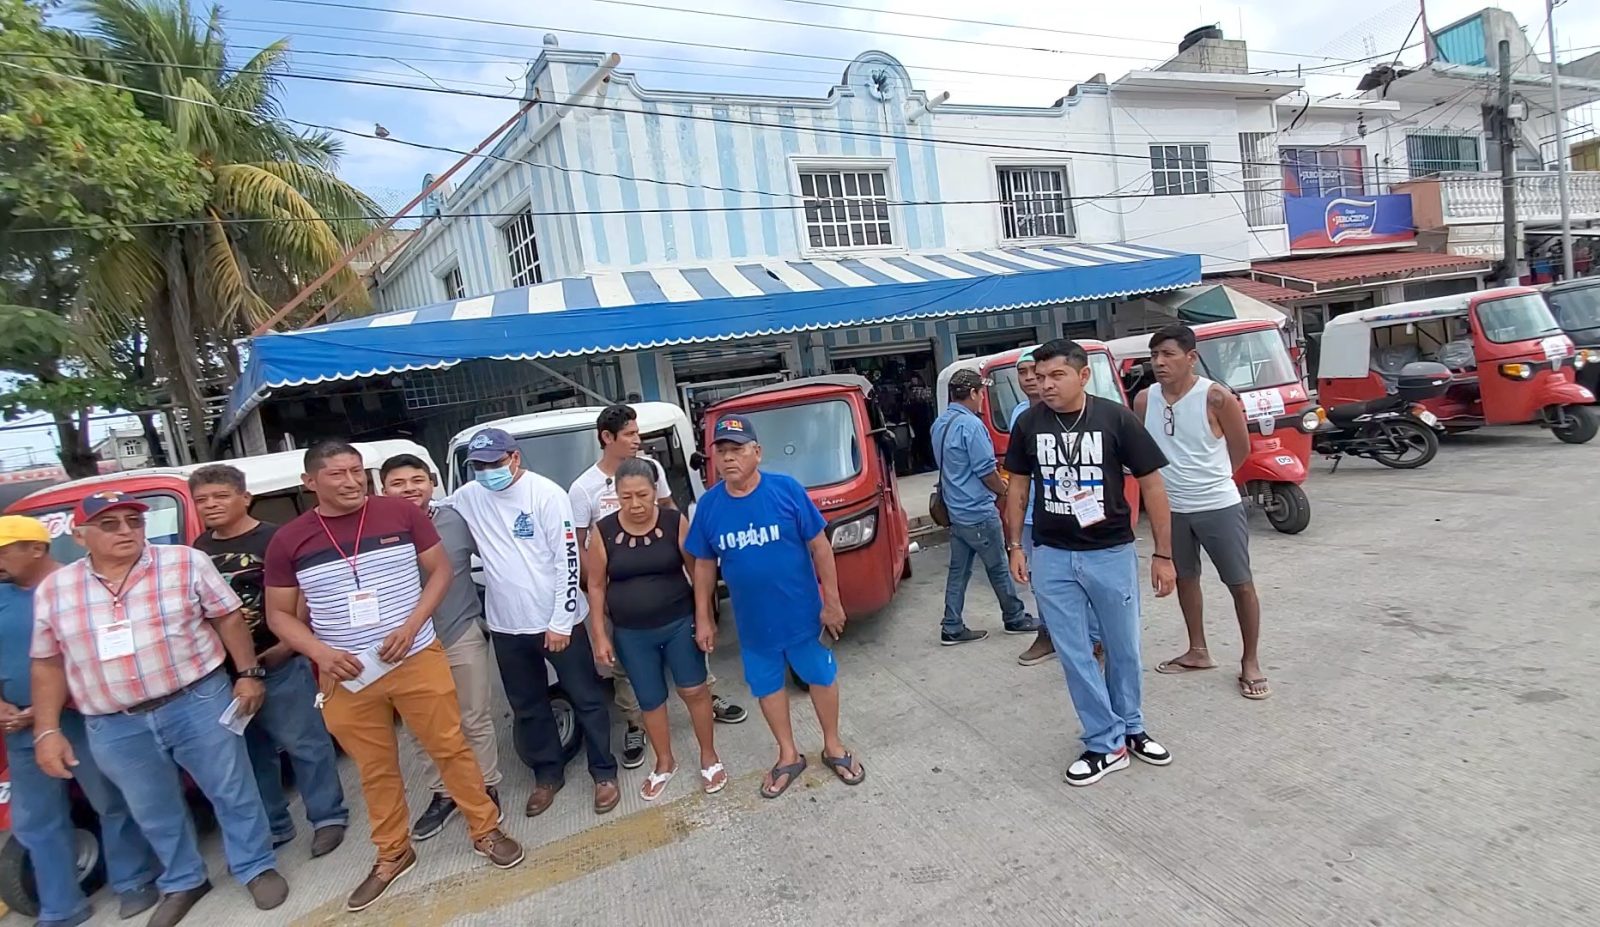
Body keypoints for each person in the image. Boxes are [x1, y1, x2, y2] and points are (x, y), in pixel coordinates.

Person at [263, 441, 522, 913]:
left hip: (415, 655)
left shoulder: (400, 515)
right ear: (309, 483)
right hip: (346, 673)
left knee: (450, 745)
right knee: (375, 767)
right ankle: (393, 853)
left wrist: (411, 625)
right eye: (337, 473)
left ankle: (485, 829)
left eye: (357, 471)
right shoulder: (289, 540)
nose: (351, 481)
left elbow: (440, 572)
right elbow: (279, 615)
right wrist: (320, 652)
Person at [29, 491, 289, 927]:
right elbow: (47, 662)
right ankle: (185, 879)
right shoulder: (56, 589)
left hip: (196, 701)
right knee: (151, 807)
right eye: (110, 525)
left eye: (133, 521)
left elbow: (227, 617)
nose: (126, 531)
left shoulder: (184, 562)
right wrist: (47, 729)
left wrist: (247, 673)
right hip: (114, 723)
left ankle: (255, 866)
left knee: (230, 789)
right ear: (79, 535)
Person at [1003, 339, 1177, 787]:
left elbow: (1154, 488)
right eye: (1039, 377)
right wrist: (1016, 547)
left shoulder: (1115, 418)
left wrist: (1163, 554)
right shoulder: (1028, 425)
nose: (1045, 386)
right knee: (1075, 654)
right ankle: (1106, 741)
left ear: (1083, 376)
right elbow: (1018, 489)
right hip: (1052, 555)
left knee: (1123, 649)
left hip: (1110, 552)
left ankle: (1131, 726)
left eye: (1056, 376)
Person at [685, 415, 865, 799]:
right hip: (753, 625)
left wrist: (831, 602)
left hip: (804, 616)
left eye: (737, 449)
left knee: (821, 678)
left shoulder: (786, 490)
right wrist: (704, 617)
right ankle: (787, 754)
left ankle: (833, 746)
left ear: (757, 453)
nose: (729, 458)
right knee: (767, 688)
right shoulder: (709, 508)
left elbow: (820, 546)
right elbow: (703, 565)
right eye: (722, 451)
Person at [444, 427, 619, 818]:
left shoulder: (546, 494)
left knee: (587, 698)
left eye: (495, 463)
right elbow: (433, 509)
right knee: (527, 706)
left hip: (559, 623)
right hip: (508, 626)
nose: (488, 471)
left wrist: (559, 622)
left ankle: (603, 772)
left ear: (515, 458)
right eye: (480, 466)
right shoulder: (469, 497)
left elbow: (567, 561)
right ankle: (547, 775)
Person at [0, 516, 160, 927]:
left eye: (3, 551)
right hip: (21, 729)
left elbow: (113, 649)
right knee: (35, 818)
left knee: (111, 800)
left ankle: (135, 880)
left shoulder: (78, 588)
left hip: (81, 714)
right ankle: (60, 906)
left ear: (35, 549)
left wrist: (48, 704)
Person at [567, 404, 746, 773]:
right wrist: (603, 618)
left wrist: (705, 613)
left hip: (676, 614)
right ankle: (645, 739)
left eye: (642, 495)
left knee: (694, 681)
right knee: (639, 690)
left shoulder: (660, 490)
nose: (637, 439)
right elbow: (586, 556)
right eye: (630, 434)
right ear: (607, 438)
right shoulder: (584, 491)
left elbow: (689, 553)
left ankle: (708, 732)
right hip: (626, 616)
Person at [189, 465, 349, 858]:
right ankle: (276, 825)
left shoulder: (276, 538)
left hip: (280, 661)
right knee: (252, 754)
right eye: (202, 500)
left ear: (245, 497)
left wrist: (288, 644)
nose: (211, 505)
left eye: (220, 496)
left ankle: (328, 818)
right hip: (226, 674)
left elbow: (306, 595)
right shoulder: (197, 550)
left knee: (306, 744)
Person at [1136, 325, 1268, 700]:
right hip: (1171, 509)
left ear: (1191, 357)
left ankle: (1251, 661)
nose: (1159, 362)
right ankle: (1198, 650)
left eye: (1168, 354)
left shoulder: (1214, 397)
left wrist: (1213, 480)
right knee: (1186, 579)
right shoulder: (1146, 400)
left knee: (1240, 583)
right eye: (1154, 356)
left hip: (1217, 504)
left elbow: (1240, 448)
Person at [379, 454, 505, 839]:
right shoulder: (373, 529)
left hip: (459, 631)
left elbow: (498, 557)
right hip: (408, 646)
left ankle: (485, 786)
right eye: (398, 483)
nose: (409, 489)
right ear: (382, 489)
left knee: (474, 717)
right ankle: (443, 793)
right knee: (422, 728)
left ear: (432, 482)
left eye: (417, 480)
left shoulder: (456, 520)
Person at [585, 458, 726, 800]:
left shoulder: (674, 521)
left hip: (679, 623)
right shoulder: (603, 532)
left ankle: (709, 756)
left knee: (694, 691)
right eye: (626, 497)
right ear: (616, 496)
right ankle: (665, 762)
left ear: (655, 492)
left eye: (642, 495)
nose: (635, 504)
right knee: (649, 700)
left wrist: (704, 618)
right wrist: (600, 635)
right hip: (632, 634)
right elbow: (596, 585)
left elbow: (699, 572)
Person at [931, 368, 1037, 645]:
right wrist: (1006, 492)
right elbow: (986, 472)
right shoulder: (972, 426)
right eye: (981, 393)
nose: (982, 399)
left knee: (959, 571)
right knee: (999, 567)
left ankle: (952, 625)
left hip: (956, 511)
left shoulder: (940, 424)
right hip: (978, 511)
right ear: (974, 393)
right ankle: (1014, 616)